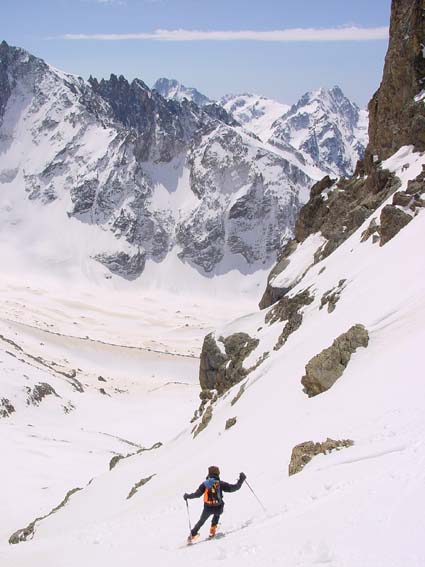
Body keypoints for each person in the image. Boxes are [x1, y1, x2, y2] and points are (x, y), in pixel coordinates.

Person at [183, 465, 246, 542]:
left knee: (201, 521)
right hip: (218, 508)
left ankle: (192, 534)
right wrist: (241, 479)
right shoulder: (220, 483)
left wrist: (187, 496)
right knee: (219, 508)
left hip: (207, 509)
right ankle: (213, 528)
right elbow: (234, 488)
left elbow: (197, 494)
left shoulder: (204, 484)